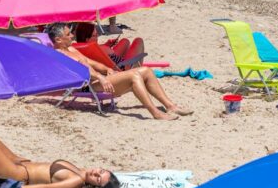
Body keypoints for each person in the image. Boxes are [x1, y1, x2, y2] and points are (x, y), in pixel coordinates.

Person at [48, 23, 190, 120]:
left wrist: (107, 69)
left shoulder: (71, 49)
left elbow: (91, 63)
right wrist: (101, 78)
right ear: (58, 39)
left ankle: (171, 106)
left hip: (98, 79)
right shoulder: (60, 55)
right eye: (68, 34)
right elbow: (80, 70)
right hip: (88, 85)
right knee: (134, 75)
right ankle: (156, 113)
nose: (72, 36)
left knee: (146, 70)